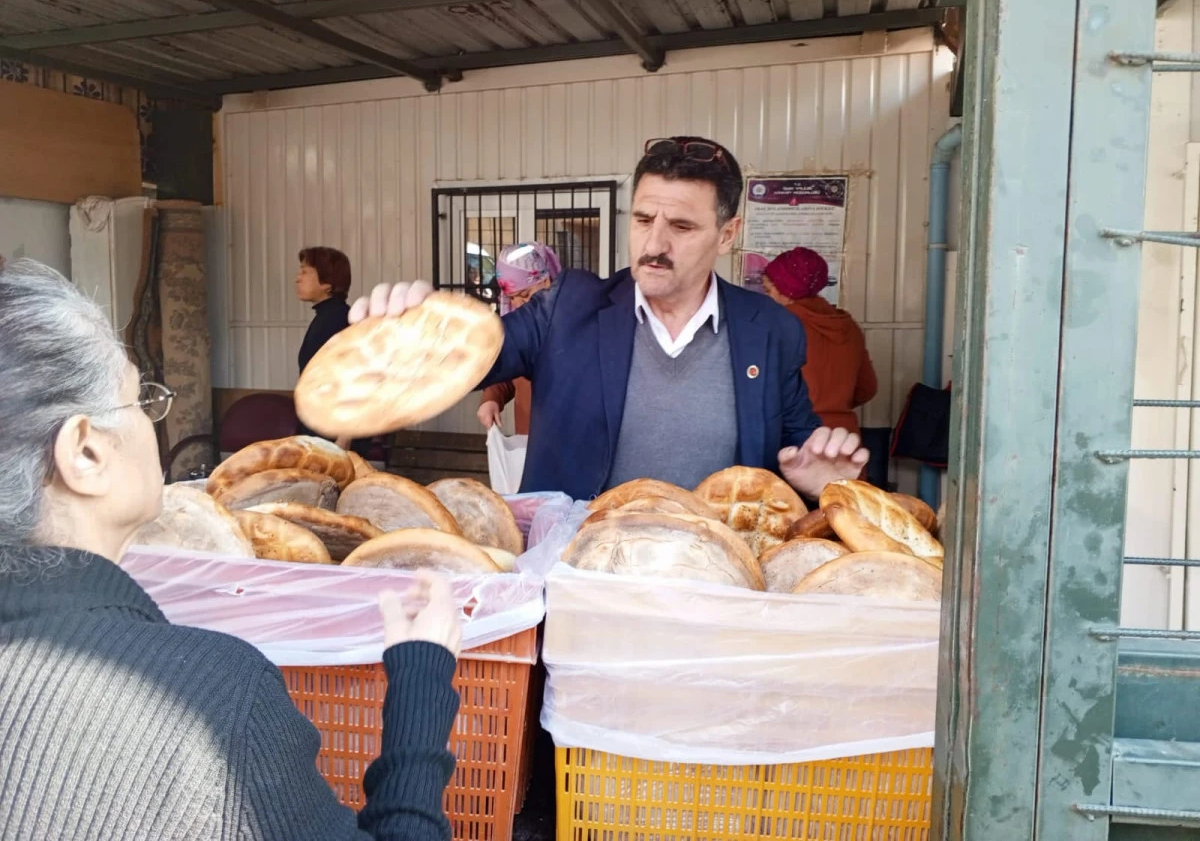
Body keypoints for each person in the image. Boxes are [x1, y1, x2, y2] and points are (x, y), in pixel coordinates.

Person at [0, 258, 462, 841]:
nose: (153, 420)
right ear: (86, 453)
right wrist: (422, 677)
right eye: (139, 398)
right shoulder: (209, 701)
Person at [349, 136, 867, 502]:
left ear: (727, 234)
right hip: (579, 580)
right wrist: (402, 338)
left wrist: (825, 483)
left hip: (711, 586)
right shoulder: (571, 305)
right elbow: (464, 359)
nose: (655, 245)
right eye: (643, 220)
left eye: (682, 226)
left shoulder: (768, 328)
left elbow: (799, 448)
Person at [762, 246, 877, 435]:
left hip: (794, 438)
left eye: (768, 290)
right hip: (843, 438)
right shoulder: (848, 326)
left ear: (786, 290)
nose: (766, 298)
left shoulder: (778, 327)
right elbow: (867, 388)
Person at [477, 243, 563, 434]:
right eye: (512, 297)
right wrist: (492, 398)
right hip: (529, 439)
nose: (519, 303)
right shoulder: (517, 326)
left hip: (566, 437)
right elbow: (510, 368)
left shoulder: (571, 321)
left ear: (547, 281)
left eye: (525, 294)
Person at [294, 246, 370, 455]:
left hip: (336, 435)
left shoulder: (338, 320)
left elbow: (357, 379)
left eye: (305, 271)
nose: (297, 278)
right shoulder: (326, 317)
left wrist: (344, 438)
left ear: (327, 283)